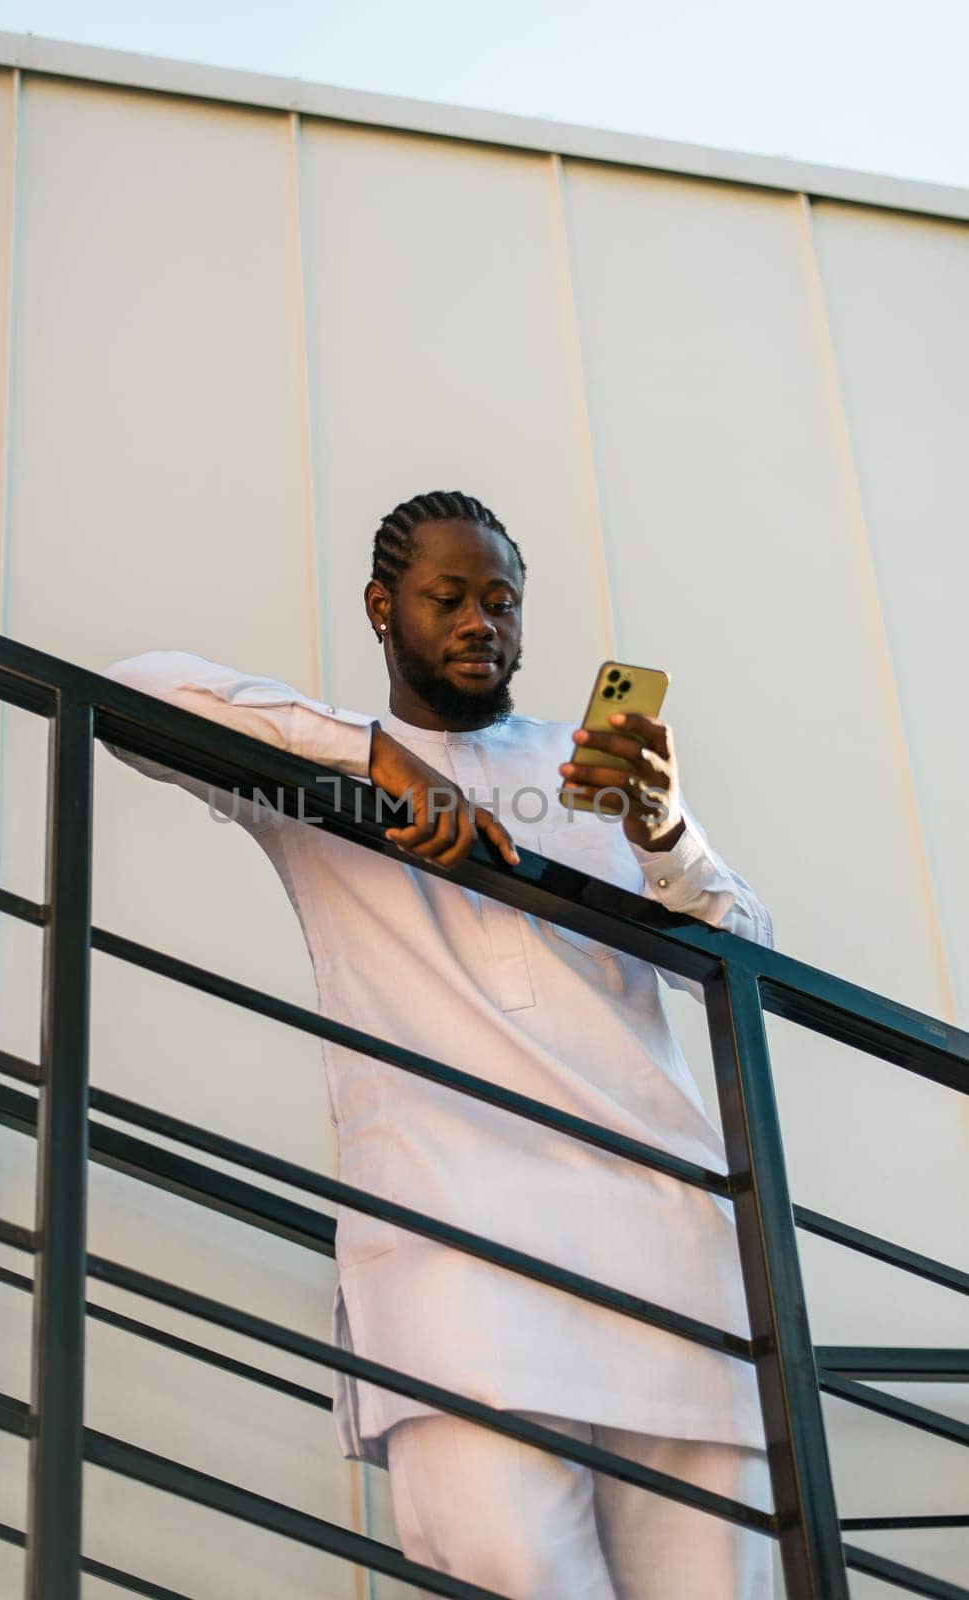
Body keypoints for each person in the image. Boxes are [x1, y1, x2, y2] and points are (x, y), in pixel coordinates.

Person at [101, 489, 776, 1599]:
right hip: (455, 1254)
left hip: (669, 1253)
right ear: (383, 607)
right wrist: (367, 754)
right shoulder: (310, 784)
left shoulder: (586, 771)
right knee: (510, 1569)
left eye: (501, 600)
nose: (480, 622)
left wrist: (667, 838)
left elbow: (749, 957)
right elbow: (129, 690)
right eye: (449, 597)